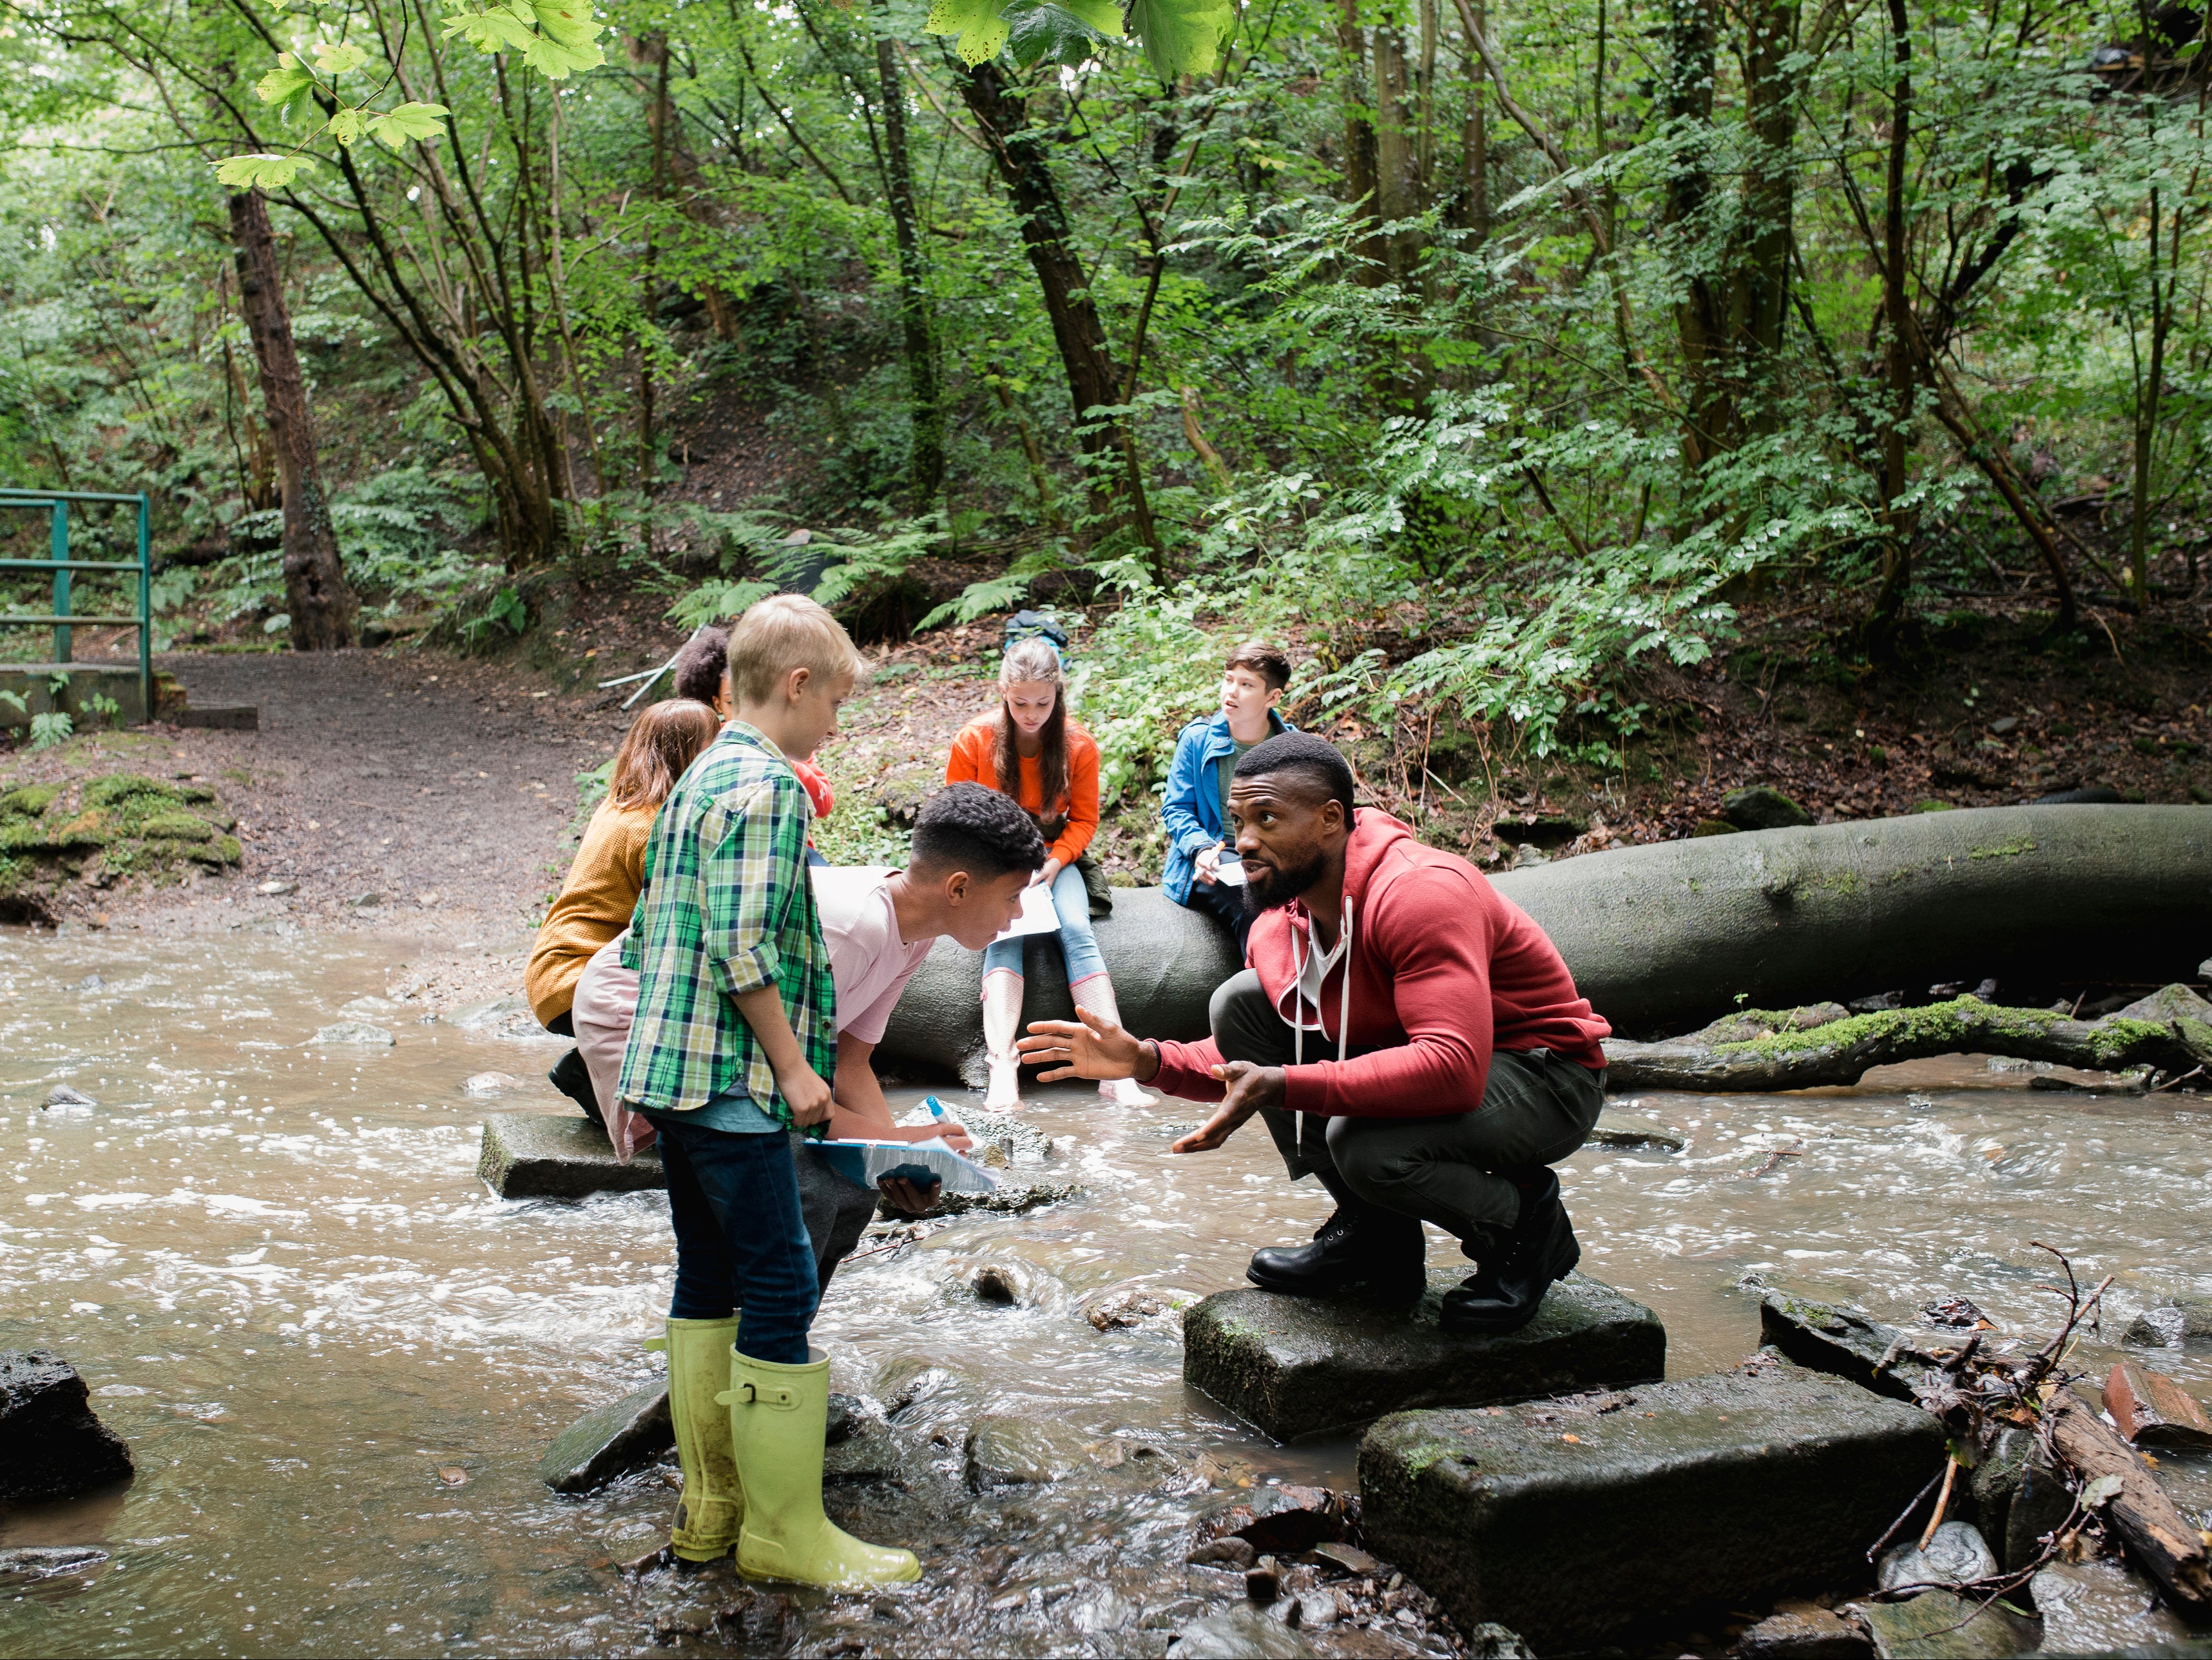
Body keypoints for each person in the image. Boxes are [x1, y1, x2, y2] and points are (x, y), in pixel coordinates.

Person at [1017, 732, 1610, 1336]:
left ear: (1331, 820)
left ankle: (1523, 1227)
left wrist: (1283, 1083)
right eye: (1238, 821)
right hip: (1438, 1062)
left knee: (1364, 1144)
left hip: (1545, 1075)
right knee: (1241, 1003)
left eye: (1268, 819)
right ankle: (1376, 1238)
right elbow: (1246, 1053)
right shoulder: (1283, 915)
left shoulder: (1419, 892)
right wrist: (1146, 1060)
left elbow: (1451, 1069)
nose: (1244, 842)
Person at [615, 593, 914, 1586]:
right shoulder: (771, 787)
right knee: (780, 1283)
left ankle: (713, 1514)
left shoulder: (700, 774)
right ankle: (785, 1534)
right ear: (795, 686)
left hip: (674, 1075)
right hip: (732, 1080)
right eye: (833, 702)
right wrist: (795, 1066)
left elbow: (653, 931)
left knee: (707, 1278)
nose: (836, 723)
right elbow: (740, 945)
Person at [570, 782, 1048, 1273]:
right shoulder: (854, 927)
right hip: (642, 1013)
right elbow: (781, 1080)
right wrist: (904, 1142)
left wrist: (896, 1161)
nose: (1017, 915)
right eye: (1012, 897)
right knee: (809, 1190)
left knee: (854, 1190)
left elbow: (849, 1058)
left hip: (738, 1038)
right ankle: (761, 1329)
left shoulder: (914, 937)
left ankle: (768, 1330)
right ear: (958, 888)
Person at [945, 635, 1155, 1111]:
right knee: (1005, 933)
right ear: (1002, 691)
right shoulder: (974, 739)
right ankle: (1002, 1065)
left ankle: (1115, 1066)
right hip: (993, 860)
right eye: (1019, 702)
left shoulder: (1077, 744)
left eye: (1042, 702)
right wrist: (997, 867)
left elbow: (1083, 820)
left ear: (1057, 694)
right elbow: (955, 813)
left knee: (1078, 930)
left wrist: (1056, 863)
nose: (1031, 713)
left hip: (1055, 859)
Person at [526, 698, 722, 1123]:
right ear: (687, 754)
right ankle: (596, 1077)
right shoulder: (652, 828)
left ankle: (596, 1069)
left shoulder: (622, 805)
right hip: (577, 978)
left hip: (555, 973)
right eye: (714, 745)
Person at [1160, 642, 1294, 957]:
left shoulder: (1290, 747)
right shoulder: (1197, 739)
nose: (1231, 691)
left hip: (1271, 855)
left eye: (1246, 685)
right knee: (1254, 908)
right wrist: (1200, 848)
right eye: (1228, 679)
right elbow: (1177, 808)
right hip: (1216, 855)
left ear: (1273, 697)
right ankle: (1260, 993)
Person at [676, 623, 834, 864]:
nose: (742, 712)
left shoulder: (788, 739)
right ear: (717, 704)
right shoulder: (708, 745)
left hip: (794, 851)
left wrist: (784, 757)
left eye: (747, 700)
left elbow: (824, 804)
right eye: (732, 703)